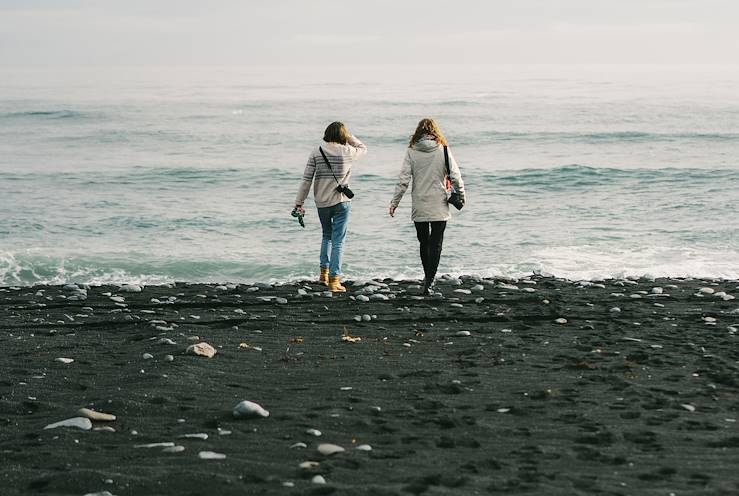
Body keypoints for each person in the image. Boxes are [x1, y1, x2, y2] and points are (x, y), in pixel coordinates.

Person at [389, 118, 465, 295]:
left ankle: (427, 277)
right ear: (435, 132)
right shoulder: (443, 150)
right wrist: (462, 196)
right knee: (436, 243)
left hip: (419, 203)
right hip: (439, 203)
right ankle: (430, 280)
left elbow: (403, 180)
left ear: (418, 133)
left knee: (424, 242)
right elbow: (455, 176)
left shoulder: (412, 151)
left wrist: (395, 203)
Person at [295, 122, 367, 292]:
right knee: (338, 241)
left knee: (326, 235)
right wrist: (348, 136)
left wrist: (299, 202)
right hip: (341, 201)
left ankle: (323, 275)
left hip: (321, 202)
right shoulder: (348, 151)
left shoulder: (317, 152)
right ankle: (335, 281)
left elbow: (306, 180)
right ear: (343, 136)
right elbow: (363, 148)